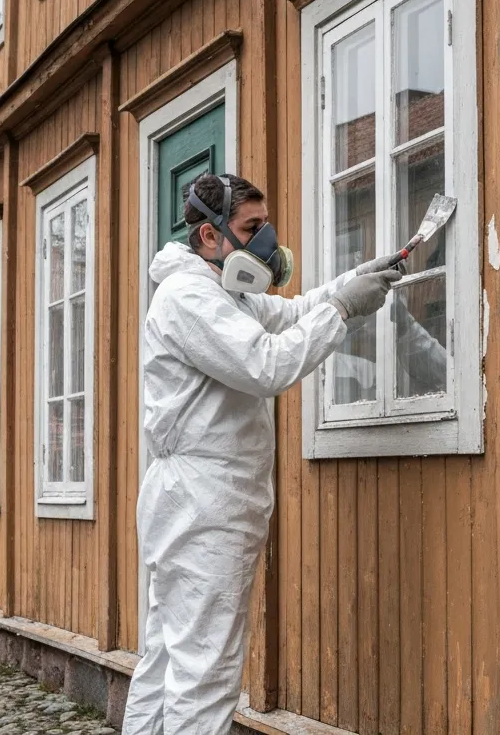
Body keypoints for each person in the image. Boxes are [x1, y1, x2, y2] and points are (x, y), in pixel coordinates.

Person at [123, 173, 405, 733]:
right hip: (204, 504)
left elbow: (293, 313)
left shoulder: (226, 293)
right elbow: (266, 365)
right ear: (209, 235)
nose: (267, 242)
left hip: (196, 502)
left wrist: (356, 281)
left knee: (166, 660)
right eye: (252, 228)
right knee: (206, 673)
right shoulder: (190, 297)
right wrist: (344, 312)